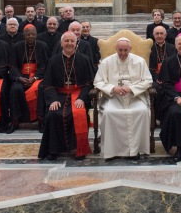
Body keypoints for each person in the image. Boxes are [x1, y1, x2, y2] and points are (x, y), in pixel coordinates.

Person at [38, 32, 94, 161]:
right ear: (61, 43)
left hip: (78, 95)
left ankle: (79, 149)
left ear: (76, 43)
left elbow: (89, 83)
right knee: (53, 114)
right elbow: (47, 84)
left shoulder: (84, 59)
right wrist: (53, 100)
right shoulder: (53, 60)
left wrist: (82, 98)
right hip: (58, 95)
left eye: (72, 41)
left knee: (78, 113)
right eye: (66, 41)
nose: (69, 43)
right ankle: (53, 149)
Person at [95, 38, 153, 160]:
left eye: (125, 50)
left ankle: (135, 151)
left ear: (130, 49)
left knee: (141, 111)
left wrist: (131, 88)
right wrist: (113, 88)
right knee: (109, 113)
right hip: (113, 98)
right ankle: (112, 151)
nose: (122, 53)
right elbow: (98, 81)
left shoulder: (140, 61)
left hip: (135, 97)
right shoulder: (106, 62)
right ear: (115, 49)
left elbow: (148, 81)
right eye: (120, 50)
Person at [9, 24, 46, 131]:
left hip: (37, 77)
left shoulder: (42, 46)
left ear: (36, 35)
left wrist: (34, 78)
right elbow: (13, 66)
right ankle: (15, 121)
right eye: (28, 34)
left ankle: (40, 120)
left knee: (40, 89)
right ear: (24, 35)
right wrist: (19, 78)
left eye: (33, 34)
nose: (31, 36)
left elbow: (44, 65)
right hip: (21, 76)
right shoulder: (17, 47)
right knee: (16, 89)